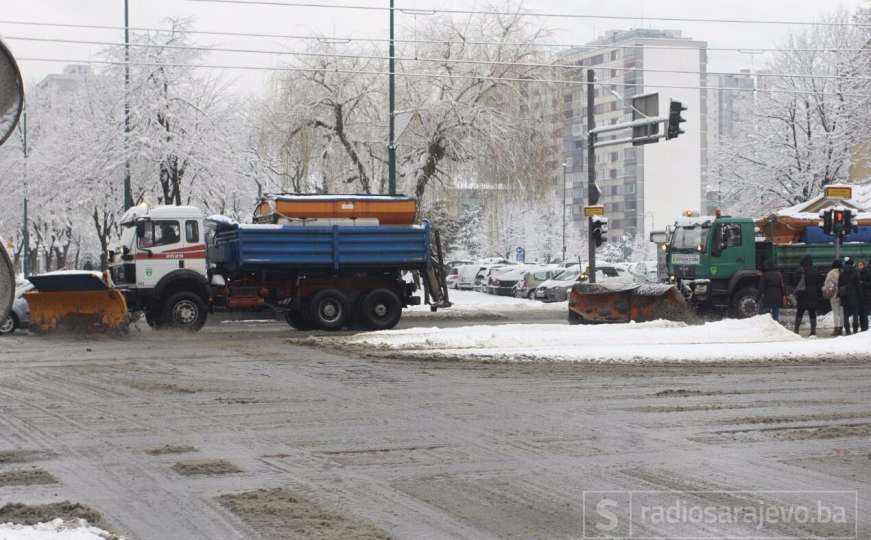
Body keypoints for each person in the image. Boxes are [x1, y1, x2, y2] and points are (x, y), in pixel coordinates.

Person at [793, 255, 820, 336]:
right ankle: (813, 331)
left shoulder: (800, 271)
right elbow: (819, 282)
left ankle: (796, 330)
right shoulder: (815, 271)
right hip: (813, 293)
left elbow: (795, 281)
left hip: (803, 294)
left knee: (800, 312)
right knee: (812, 312)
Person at [839, 258, 863, 335]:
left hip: (845, 297)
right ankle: (855, 330)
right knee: (855, 314)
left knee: (846, 315)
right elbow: (858, 286)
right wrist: (860, 296)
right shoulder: (855, 273)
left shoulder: (842, 273)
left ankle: (847, 330)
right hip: (854, 296)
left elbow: (839, 286)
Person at [823, 260, 843, 336]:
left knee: (835, 312)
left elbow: (827, 284)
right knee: (841, 312)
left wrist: (825, 290)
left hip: (834, 295)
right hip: (841, 294)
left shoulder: (831, 273)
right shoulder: (842, 272)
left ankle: (836, 329)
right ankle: (841, 328)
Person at [859, 260, 870, 332]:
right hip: (860, 295)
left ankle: (865, 327)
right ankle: (863, 327)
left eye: (861, 265)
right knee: (861, 312)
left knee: (864, 312)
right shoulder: (857, 273)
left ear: (864, 265)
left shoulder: (868, 273)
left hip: (866, 295)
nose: (859, 266)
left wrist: (863, 283)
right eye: (859, 265)